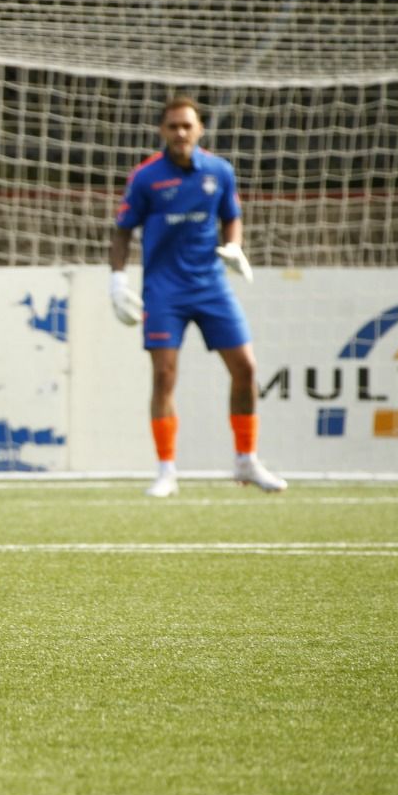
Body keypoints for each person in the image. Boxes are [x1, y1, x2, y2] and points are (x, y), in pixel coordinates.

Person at [109, 95, 288, 499]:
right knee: (164, 376)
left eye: (187, 126)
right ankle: (166, 470)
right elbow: (122, 230)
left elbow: (231, 217)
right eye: (172, 126)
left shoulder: (219, 171)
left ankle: (246, 459)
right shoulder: (146, 177)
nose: (180, 133)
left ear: (200, 129)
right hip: (164, 290)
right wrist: (117, 280)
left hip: (210, 286)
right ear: (162, 131)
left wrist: (235, 247)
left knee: (246, 368)